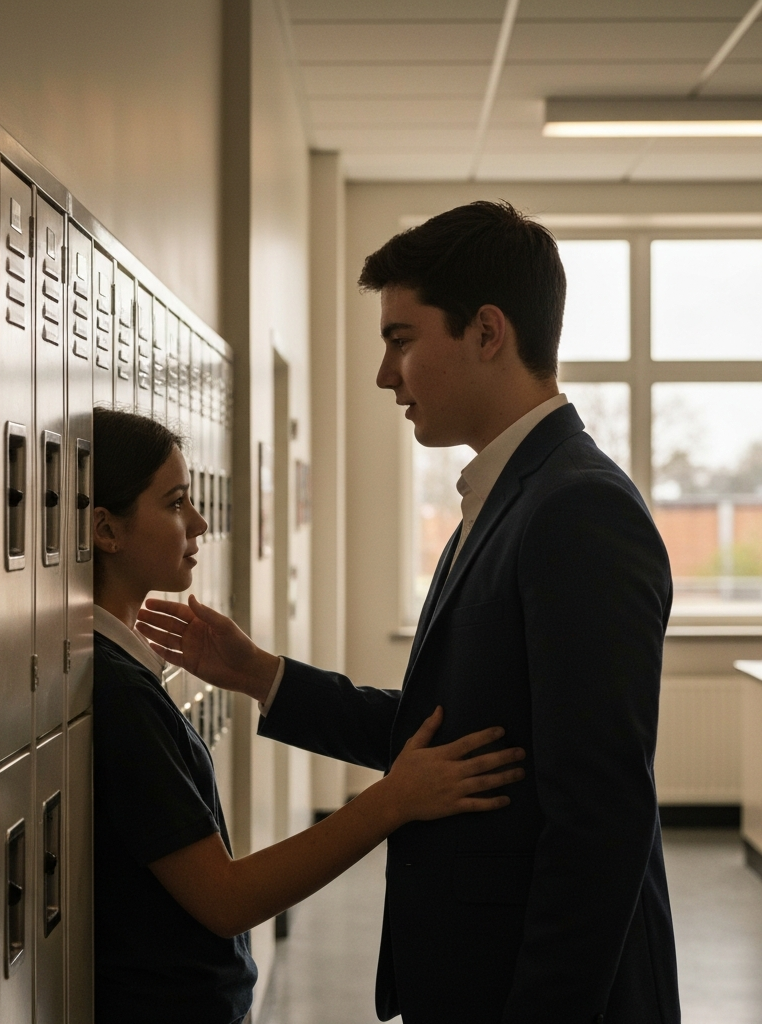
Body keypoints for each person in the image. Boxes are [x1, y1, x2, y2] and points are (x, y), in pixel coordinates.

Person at [137, 202, 681, 1024]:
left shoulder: (577, 510)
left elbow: (601, 822)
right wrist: (260, 676)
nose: (385, 375)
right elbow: (447, 736)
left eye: (400, 339)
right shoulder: (508, 499)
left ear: (487, 332)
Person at [91, 406, 527, 1024]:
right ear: (107, 531)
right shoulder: (118, 692)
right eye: (175, 503)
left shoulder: (121, 670)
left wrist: (257, 673)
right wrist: (392, 801)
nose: (200, 521)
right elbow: (225, 898)